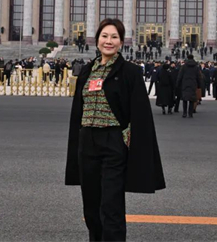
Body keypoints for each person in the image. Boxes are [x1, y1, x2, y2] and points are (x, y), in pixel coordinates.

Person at [65, 18, 165, 241]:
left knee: (111, 206)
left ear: (121, 42)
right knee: (91, 206)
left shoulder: (129, 72)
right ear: (97, 39)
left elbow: (139, 112)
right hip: (87, 142)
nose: (108, 41)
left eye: (114, 37)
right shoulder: (87, 71)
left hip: (113, 142)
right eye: (104, 36)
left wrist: (127, 139)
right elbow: (78, 110)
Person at [176, 54, 203, 118]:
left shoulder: (184, 66)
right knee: (192, 99)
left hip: (185, 83)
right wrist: (200, 85)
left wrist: (177, 84)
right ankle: (190, 113)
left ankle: (184, 113)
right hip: (193, 83)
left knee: (185, 99)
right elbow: (199, 77)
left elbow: (180, 76)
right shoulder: (196, 67)